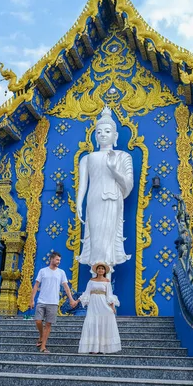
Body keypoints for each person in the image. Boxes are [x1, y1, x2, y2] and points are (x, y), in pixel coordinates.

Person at [76, 106, 133, 270]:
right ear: (95, 136)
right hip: (94, 201)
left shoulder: (123, 156)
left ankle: (106, 277)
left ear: (115, 136)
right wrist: (79, 204)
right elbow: (83, 186)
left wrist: (115, 171)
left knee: (108, 238)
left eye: (107, 131)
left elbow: (128, 186)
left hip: (112, 200)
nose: (103, 135)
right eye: (99, 132)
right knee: (95, 239)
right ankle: (95, 277)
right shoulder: (87, 158)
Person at [30, 251, 76, 353]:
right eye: (57, 259)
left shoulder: (61, 272)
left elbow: (66, 287)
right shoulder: (43, 271)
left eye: (59, 260)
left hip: (53, 302)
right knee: (38, 320)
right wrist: (32, 299)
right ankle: (41, 335)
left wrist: (71, 299)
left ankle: (43, 346)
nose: (58, 261)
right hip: (41, 300)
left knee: (48, 324)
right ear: (51, 259)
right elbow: (36, 285)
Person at [77, 262, 121, 354]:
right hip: (93, 304)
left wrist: (112, 307)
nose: (100, 270)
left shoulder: (107, 282)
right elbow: (86, 293)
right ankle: (92, 348)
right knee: (92, 322)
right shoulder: (91, 281)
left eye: (102, 268)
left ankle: (102, 348)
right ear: (96, 270)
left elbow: (109, 295)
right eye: (99, 268)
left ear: (104, 271)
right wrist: (77, 301)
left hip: (103, 303)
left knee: (104, 322)